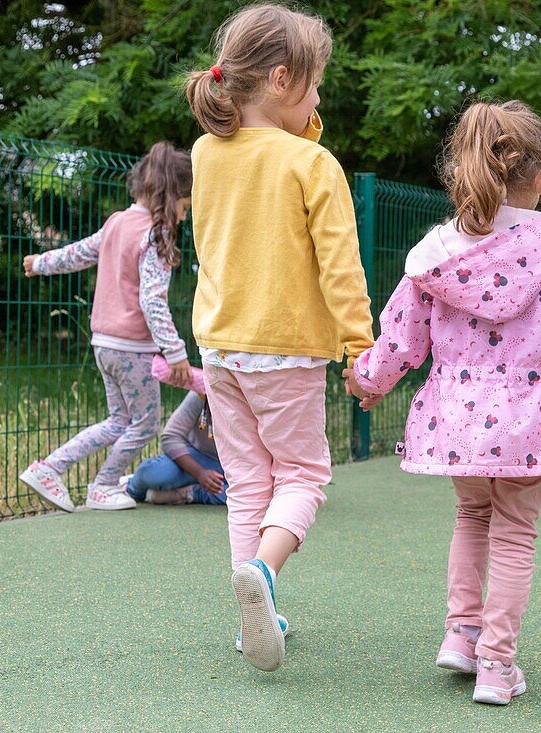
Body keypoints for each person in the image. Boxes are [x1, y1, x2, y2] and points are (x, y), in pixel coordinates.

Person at [344, 101, 541, 705]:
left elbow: (400, 335)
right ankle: (497, 665)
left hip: (458, 415)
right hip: (531, 415)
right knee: (516, 532)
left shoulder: (437, 251)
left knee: (472, 516)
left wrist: (367, 381)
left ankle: (461, 634)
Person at [185, 4, 374, 673]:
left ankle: (251, 619)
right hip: (284, 345)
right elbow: (341, 267)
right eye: (315, 85)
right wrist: (359, 346)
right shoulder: (311, 163)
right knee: (303, 474)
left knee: (247, 482)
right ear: (281, 77)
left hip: (221, 345)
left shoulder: (207, 153)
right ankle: (262, 574)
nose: (319, 100)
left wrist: (299, 116)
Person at [18, 142, 194, 512]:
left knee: (119, 421)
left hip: (105, 345)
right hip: (132, 346)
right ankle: (102, 485)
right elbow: (152, 299)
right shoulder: (155, 232)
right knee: (145, 424)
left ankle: (48, 468)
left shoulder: (117, 222)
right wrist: (175, 351)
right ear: (174, 193)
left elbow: (78, 252)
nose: (184, 215)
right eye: (185, 205)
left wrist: (40, 262)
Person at [123, 390, 228, 507]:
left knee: (248, 495)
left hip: (237, 466)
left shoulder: (250, 394)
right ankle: (131, 488)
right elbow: (170, 437)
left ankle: (189, 493)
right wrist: (199, 473)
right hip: (198, 457)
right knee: (157, 474)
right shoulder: (201, 392)